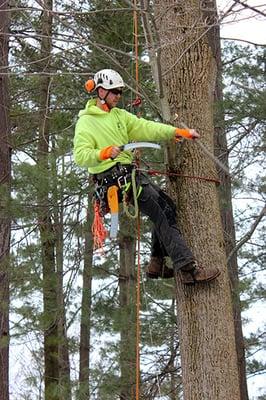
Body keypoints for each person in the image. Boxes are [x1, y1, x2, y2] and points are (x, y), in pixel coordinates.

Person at [73, 68, 220, 285]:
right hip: (116, 181)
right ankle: (188, 270)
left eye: (120, 92)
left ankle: (157, 263)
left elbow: (146, 128)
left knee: (167, 207)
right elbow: (81, 156)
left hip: (130, 177)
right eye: (115, 92)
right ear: (101, 91)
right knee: (163, 213)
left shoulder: (120, 116)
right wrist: (103, 152)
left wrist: (177, 133)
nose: (118, 96)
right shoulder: (86, 122)